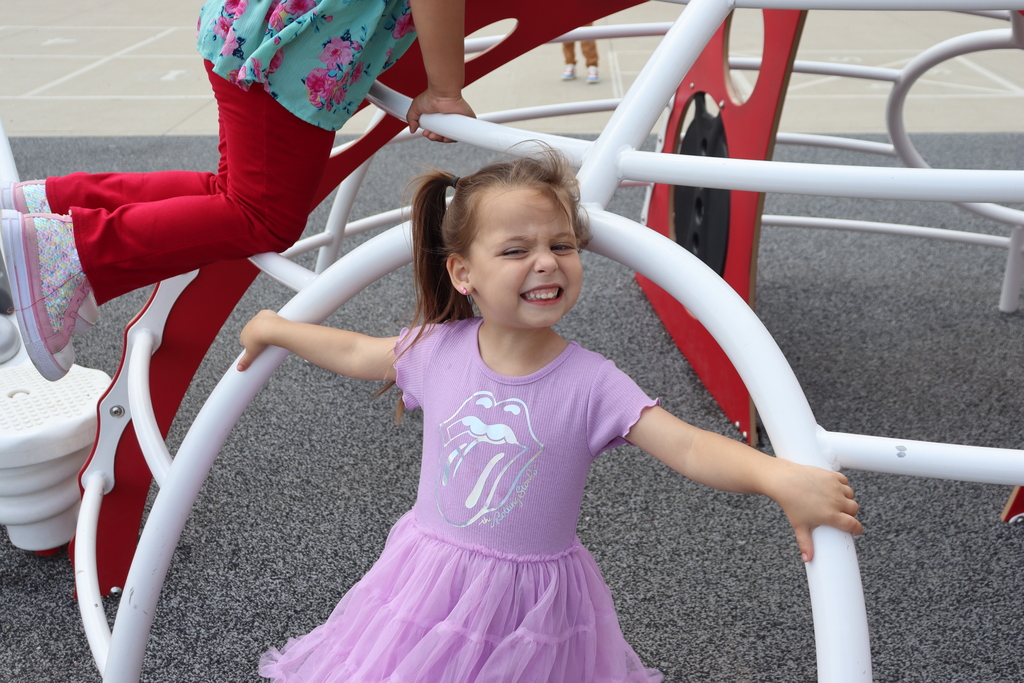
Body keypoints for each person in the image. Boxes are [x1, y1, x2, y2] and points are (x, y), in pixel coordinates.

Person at [236, 149, 862, 682]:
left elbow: (691, 447)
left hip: (533, 602)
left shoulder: (592, 382)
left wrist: (777, 477)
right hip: (429, 576)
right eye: (516, 249)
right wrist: (277, 328)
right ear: (463, 274)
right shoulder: (436, 350)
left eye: (562, 244)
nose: (546, 261)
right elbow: (354, 350)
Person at [0, 0, 474, 382]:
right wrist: (445, 89)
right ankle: (66, 249)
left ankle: (55, 205)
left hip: (257, 23)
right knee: (263, 216)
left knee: (230, 192)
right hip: (296, 46)